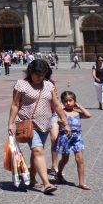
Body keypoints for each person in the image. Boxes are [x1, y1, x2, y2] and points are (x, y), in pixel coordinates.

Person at [7, 59, 69, 194]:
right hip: (28, 124)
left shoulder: (48, 85)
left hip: (45, 124)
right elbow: (15, 104)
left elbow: (57, 104)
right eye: (37, 74)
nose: (40, 77)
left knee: (36, 152)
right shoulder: (21, 85)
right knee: (38, 151)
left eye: (42, 74)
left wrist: (64, 119)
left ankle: (33, 178)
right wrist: (10, 123)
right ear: (31, 72)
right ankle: (47, 183)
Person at [52, 90, 91, 190]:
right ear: (62, 102)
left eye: (70, 100)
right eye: (65, 101)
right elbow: (58, 121)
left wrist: (79, 106)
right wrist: (61, 123)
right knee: (65, 159)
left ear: (75, 101)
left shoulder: (77, 113)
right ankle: (59, 173)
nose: (68, 103)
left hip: (77, 138)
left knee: (80, 160)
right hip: (65, 138)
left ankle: (81, 182)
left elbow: (88, 115)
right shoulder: (62, 113)